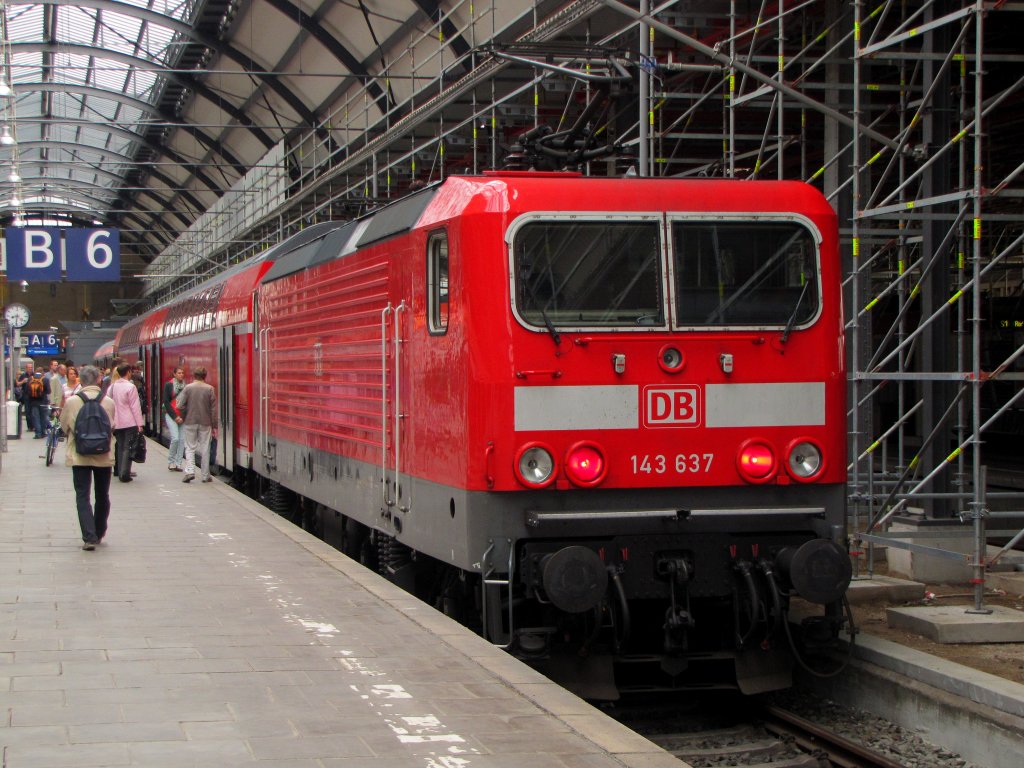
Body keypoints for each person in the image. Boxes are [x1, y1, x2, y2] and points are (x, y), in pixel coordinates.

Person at [59, 365, 115, 550]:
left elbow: (64, 426)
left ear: (80, 381)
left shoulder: (72, 401)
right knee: (102, 494)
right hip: (103, 455)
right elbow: (112, 426)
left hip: (79, 455)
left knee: (82, 496)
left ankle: (89, 537)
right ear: (99, 379)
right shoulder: (108, 402)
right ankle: (99, 532)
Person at [175, 366, 217, 484]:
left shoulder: (188, 388)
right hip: (206, 422)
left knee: (190, 447)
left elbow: (179, 405)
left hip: (190, 421)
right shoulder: (210, 389)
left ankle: (190, 471)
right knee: (205, 449)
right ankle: (205, 475)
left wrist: (184, 414)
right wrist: (214, 425)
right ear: (205, 376)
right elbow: (213, 410)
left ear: (194, 375)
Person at [108, 362, 144, 482]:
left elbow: (108, 403)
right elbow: (135, 407)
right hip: (129, 422)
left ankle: (118, 470)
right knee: (127, 447)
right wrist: (139, 424)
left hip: (116, 422)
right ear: (128, 372)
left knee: (119, 446)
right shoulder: (130, 387)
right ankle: (125, 474)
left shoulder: (112, 387)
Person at [163, 366, 186, 471]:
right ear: (174, 374)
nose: (181, 375)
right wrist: (175, 417)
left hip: (182, 417)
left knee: (182, 440)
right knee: (175, 438)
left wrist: (182, 416)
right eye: (179, 373)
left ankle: (178, 463)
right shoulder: (169, 385)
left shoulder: (185, 387)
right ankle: (171, 461)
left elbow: (187, 403)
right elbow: (166, 403)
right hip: (171, 415)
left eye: (182, 373)